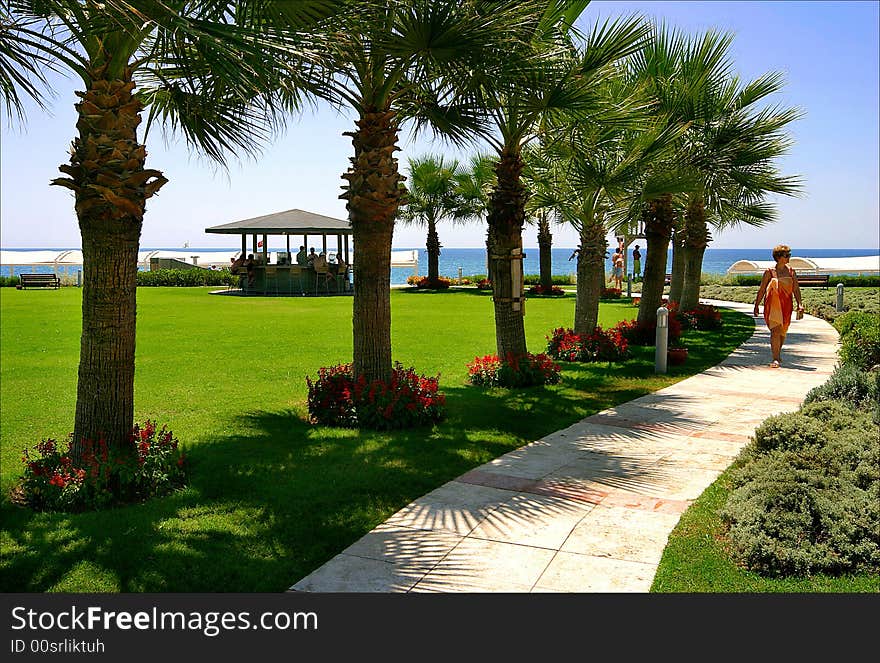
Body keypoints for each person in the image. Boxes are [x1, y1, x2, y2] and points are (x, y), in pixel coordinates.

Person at [753, 244, 804, 368]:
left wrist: (800, 303)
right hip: (772, 305)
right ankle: (775, 358)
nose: (789, 257)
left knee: (782, 331)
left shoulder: (791, 271)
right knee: (775, 330)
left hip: (786, 305)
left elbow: (796, 289)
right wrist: (756, 305)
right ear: (779, 257)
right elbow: (762, 290)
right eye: (787, 255)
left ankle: (778, 354)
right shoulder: (769, 272)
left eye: (789, 255)